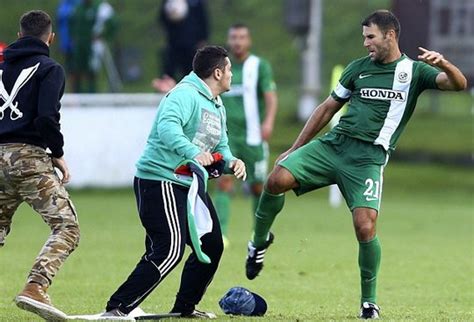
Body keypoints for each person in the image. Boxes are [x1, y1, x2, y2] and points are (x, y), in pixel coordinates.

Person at [244, 10, 467, 319]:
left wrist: (442, 63)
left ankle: (369, 303)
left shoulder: (414, 72)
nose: (366, 43)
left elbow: (458, 84)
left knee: (365, 227)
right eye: (364, 37)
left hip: (368, 159)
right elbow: (326, 108)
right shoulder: (357, 69)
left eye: (370, 37)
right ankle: (258, 242)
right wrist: (295, 148)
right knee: (276, 180)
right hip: (334, 146)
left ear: (390, 36)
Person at [102, 45, 246, 319]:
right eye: (228, 70)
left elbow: (221, 146)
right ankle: (118, 307)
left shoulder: (216, 104)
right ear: (217, 72)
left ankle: (184, 308)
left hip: (188, 185)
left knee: (212, 245)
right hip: (160, 180)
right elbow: (167, 128)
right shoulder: (184, 95)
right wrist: (193, 153)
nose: (231, 75)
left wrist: (231, 162)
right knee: (169, 249)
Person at [0, 10, 81, 321]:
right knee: (66, 227)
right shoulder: (50, 69)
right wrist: (57, 153)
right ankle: (35, 287)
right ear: (51, 37)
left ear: (19, 36)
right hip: (28, 159)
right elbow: (46, 117)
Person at [215, 23, 278, 245]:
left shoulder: (259, 66)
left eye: (242, 37)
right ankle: (220, 234)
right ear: (228, 39)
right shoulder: (221, 67)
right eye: (234, 37)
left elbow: (270, 97)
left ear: (248, 40)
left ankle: (258, 234)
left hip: (253, 137)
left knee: (258, 186)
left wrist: (268, 122)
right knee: (223, 181)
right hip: (227, 137)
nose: (237, 42)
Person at [152, 0, 209, 92]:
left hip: (192, 45)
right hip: (174, 43)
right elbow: (162, 18)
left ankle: (193, 93)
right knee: (169, 72)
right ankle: (166, 94)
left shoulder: (196, 2)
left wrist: (203, 38)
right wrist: (170, 16)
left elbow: (203, 18)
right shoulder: (169, 1)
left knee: (191, 72)